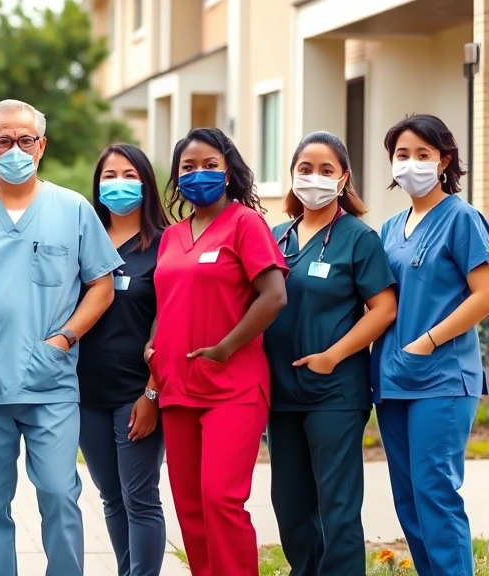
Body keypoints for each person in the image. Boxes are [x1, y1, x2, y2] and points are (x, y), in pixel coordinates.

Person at [0, 99, 124, 576]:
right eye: (4, 141)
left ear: (41, 146)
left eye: (25, 140)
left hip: (51, 383)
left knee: (60, 495)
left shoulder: (73, 209)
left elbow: (101, 286)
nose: (15, 149)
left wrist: (63, 339)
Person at [145, 127, 287, 576]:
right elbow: (166, 299)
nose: (198, 174)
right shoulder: (172, 236)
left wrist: (225, 348)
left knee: (221, 500)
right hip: (176, 386)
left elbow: (274, 296)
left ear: (228, 172)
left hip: (233, 385)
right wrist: (153, 344)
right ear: (176, 177)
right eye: (188, 167)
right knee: (189, 506)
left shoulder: (246, 223)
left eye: (210, 165)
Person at [264, 131, 398, 576]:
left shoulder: (359, 238)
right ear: (292, 175)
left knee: (336, 508)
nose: (314, 178)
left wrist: (332, 356)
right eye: (306, 169)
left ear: (343, 179)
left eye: (326, 170)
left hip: (334, 391)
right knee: (290, 506)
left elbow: (383, 309)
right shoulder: (275, 236)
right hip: (280, 392)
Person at [371, 114, 489, 576]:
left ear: (444, 161)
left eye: (423, 155)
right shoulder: (390, 227)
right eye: (403, 155)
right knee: (408, 498)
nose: (412, 164)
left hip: (441, 377)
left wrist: (430, 340)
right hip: (393, 377)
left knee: (434, 491)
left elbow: (484, 294)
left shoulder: (461, 219)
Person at [76, 143, 168, 576]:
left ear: (147, 183)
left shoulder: (166, 245)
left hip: (138, 393)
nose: (119, 185)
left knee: (140, 497)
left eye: (129, 175)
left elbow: (171, 323)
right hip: (85, 394)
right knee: (111, 496)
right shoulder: (81, 239)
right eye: (109, 176)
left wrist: (151, 392)